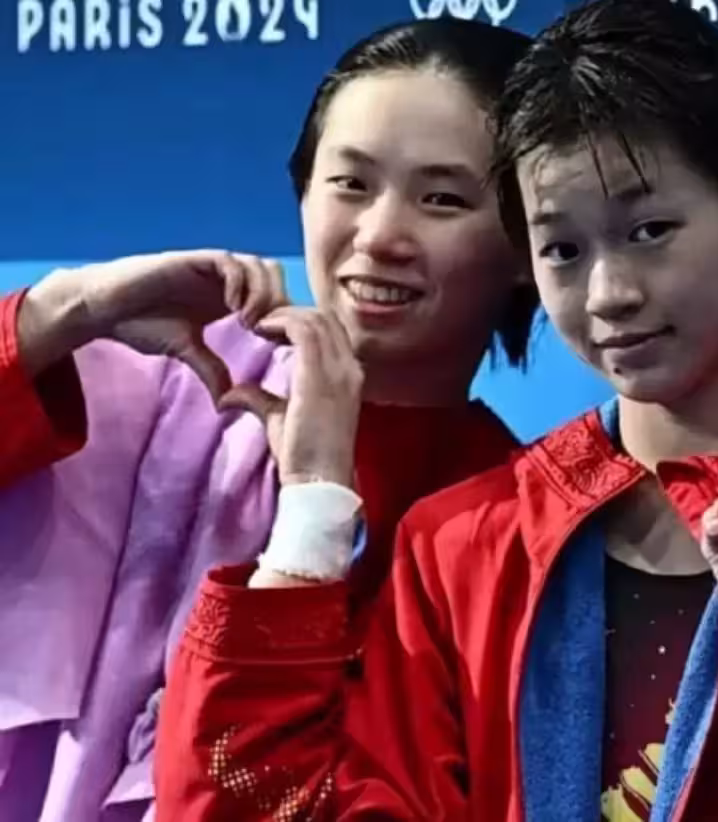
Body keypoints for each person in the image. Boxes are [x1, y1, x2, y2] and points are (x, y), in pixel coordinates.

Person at [157, 1, 718, 819]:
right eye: (563, 249)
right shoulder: (468, 542)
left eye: (650, 231)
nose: (609, 293)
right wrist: (310, 508)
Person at [0, 18, 537, 822]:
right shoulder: (161, 379)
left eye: (443, 200)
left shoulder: (510, 522)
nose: (380, 236)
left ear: (531, 243)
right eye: (350, 184)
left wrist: (315, 507)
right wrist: (71, 308)